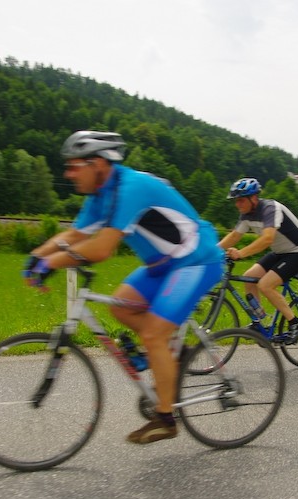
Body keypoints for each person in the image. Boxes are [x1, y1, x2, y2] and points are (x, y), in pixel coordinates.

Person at [24, 130, 224, 444]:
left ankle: (165, 419)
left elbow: (102, 248)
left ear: (99, 163)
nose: (68, 173)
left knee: (153, 334)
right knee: (120, 306)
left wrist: (51, 263)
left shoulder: (130, 187)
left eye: (75, 165)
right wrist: (36, 255)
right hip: (162, 265)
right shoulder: (99, 195)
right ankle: (174, 355)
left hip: (196, 260)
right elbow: (75, 236)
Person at [218, 177, 298, 344]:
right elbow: (234, 236)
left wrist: (240, 253)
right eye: (235, 201)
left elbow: (267, 239)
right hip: (279, 252)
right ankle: (259, 323)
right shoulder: (246, 215)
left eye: (240, 200)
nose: (237, 204)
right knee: (249, 279)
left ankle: (295, 324)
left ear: (253, 198)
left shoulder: (270, 208)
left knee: (265, 285)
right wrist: (212, 252)